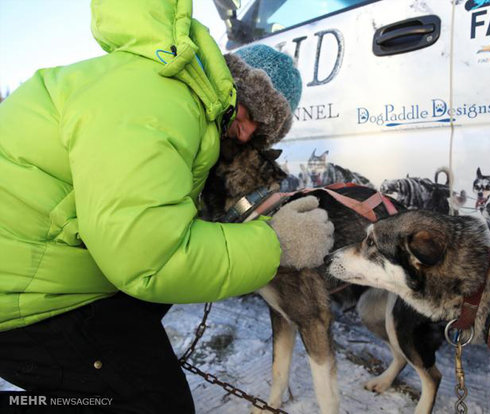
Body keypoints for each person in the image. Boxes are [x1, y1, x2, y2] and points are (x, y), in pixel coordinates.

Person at [0, 0, 334, 412]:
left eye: (262, 132)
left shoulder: (166, 87)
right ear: (237, 86)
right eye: (254, 116)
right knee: (161, 403)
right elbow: (150, 258)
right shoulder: (161, 102)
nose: (247, 134)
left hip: (43, 262)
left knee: (147, 324)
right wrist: (275, 242)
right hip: (22, 297)